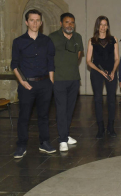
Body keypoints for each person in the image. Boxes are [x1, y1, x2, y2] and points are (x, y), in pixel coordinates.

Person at [11, 9, 56, 158]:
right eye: (32, 20)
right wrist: (23, 82)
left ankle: (44, 143)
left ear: (41, 23)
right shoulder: (18, 42)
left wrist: (51, 82)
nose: (35, 23)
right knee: (24, 116)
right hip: (27, 85)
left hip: (44, 84)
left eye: (37, 20)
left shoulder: (47, 41)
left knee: (43, 116)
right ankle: (21, 145)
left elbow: (50, 63)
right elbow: (14, 65)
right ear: (26, 22)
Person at [49, 13, 84, 152]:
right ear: (61, 23)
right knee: (61, 109)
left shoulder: (78, 37)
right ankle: (62, 139)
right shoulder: (52, 37)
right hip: (58, 79)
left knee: (70, 109)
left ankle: (66, 134)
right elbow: (48, 57)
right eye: (67, 22)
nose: (70, 25)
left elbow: (79, 54)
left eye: (72, 22)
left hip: (74, 79)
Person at [86, 16, 120, 139]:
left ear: (108, 26)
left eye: (105, 24)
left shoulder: (113, 39)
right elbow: (88, 61)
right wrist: (100, 71)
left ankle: (111, 127)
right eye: (101, 24)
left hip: (111, 72)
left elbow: (117, 58)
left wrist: (113, 71)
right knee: (98, 99)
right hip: (97, 73)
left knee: (111, 100)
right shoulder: (92, 40)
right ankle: (100, 128)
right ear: (97, 26)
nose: (103, 27)